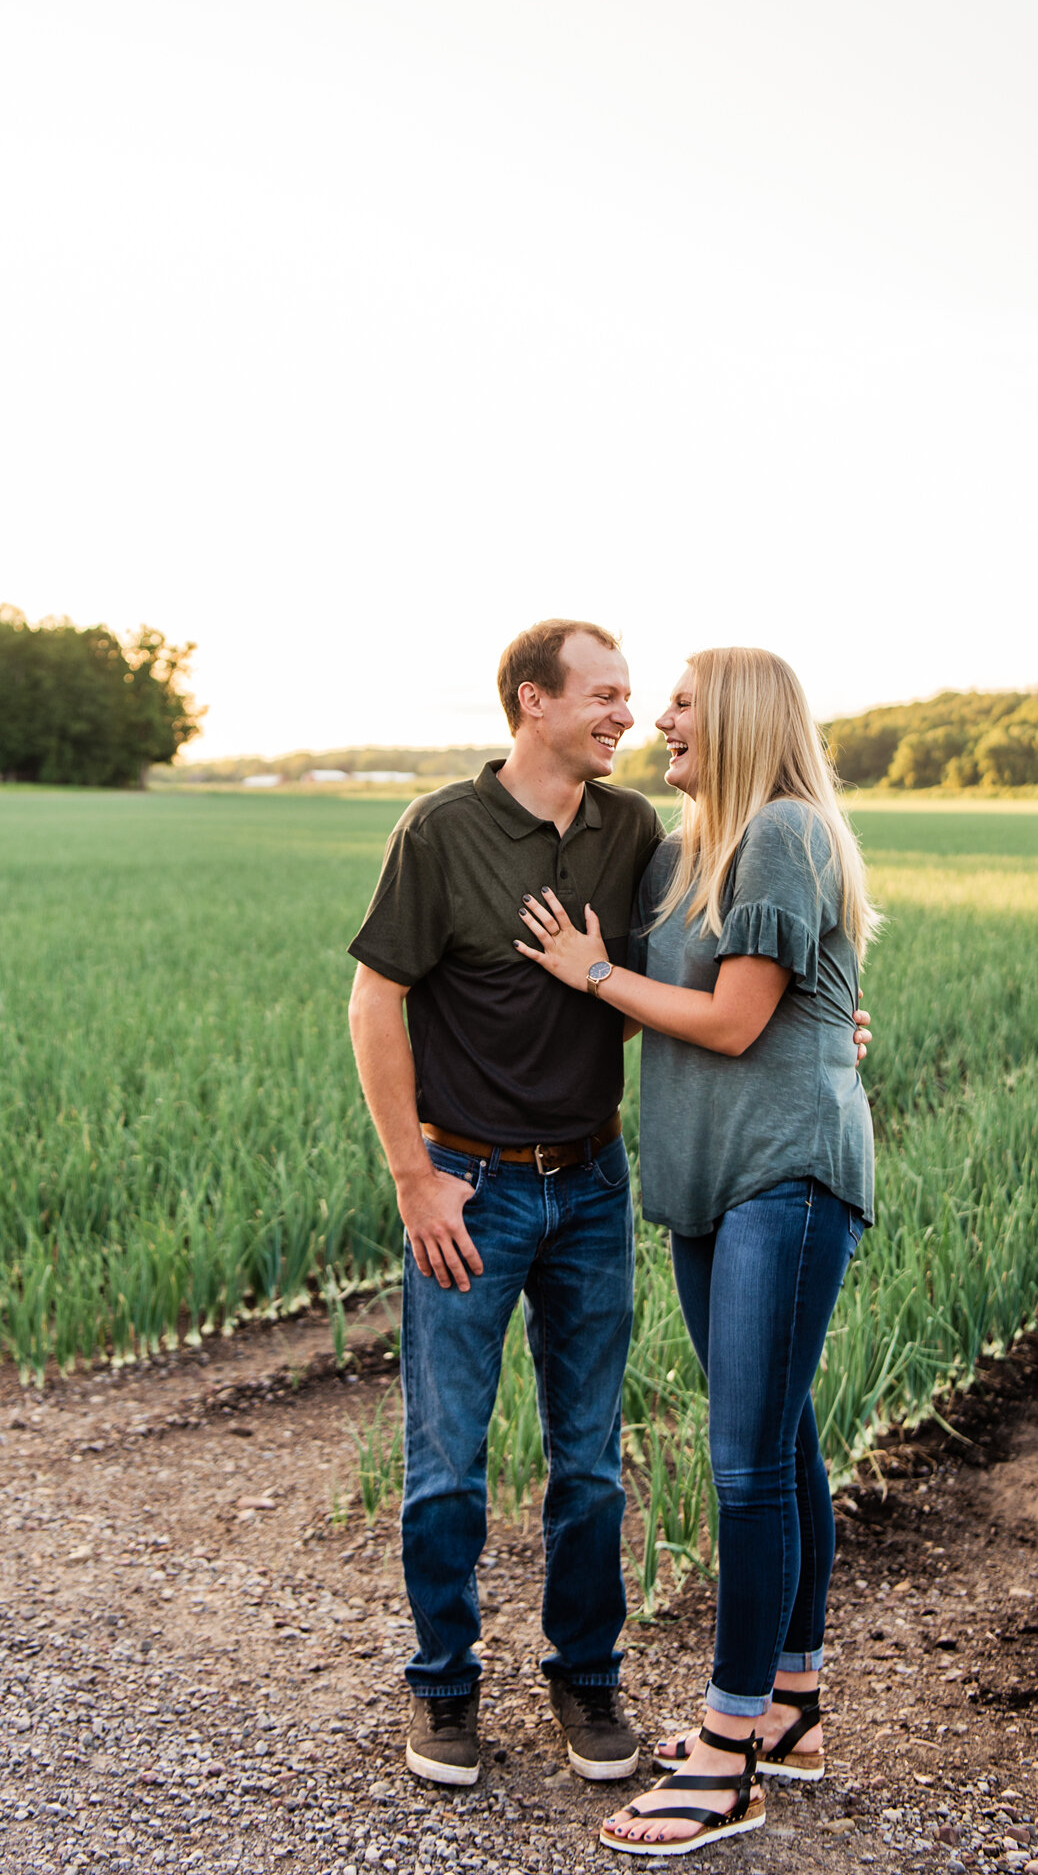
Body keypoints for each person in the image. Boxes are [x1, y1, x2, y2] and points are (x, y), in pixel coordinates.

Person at [516, 645, 878, 1857]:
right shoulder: (684, 852)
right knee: (778, 1438)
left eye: (678, 701)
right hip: (707, 1184)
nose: (658, 719)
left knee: (742, 1465)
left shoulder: (780, 828)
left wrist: (597, 970)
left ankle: (728, 1754)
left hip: (785, 1168)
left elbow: (732, 1019)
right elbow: (805, 995)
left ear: (731, 716)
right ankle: (791, 1702)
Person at [346, 619, 667, 1788]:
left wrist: (823, 1020)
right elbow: (374, 1003)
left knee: (587, 1460)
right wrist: (414, 1176)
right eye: (605, 694)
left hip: (589, 1181)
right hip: (465, 1188)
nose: (625, 714)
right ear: (533, 701)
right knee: (447, 1461)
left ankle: (587, 1678)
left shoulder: (633, 829)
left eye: (630, 697)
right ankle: (443, 1689)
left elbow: (672, 980)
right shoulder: (441, 829)